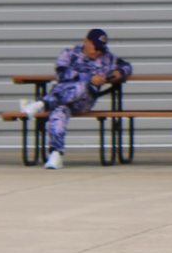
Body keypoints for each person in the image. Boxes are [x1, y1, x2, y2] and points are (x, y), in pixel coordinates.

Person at [19, 29, 132, 169]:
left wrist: (118, 73)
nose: (98, 52)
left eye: (101, 49)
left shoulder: (107, 58)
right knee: (59, 112)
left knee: (82, 87)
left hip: (84, 101)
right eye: (95, 47)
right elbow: (61, 74)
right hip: (62, 98)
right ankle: (56, 153)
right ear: (86, 42)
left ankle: (41, 104)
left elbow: (127, 66)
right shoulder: (69, 53)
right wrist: (89, 78)